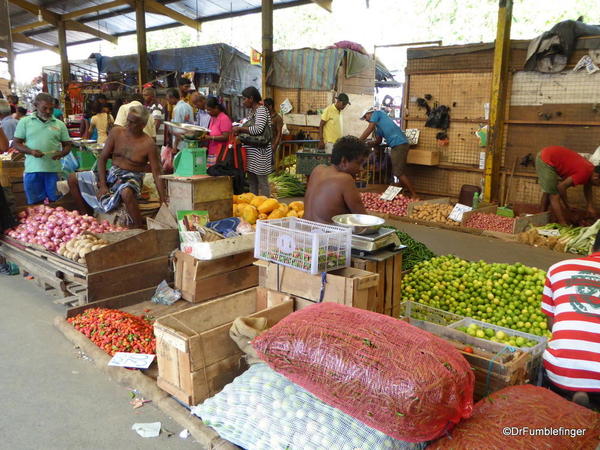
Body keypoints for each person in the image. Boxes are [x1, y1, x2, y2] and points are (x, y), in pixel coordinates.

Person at [68, 106, 166, 228]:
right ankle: (86, 216)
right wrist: (103, 185)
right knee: (72, 178)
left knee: (126, 192)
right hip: (112, 174)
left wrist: (163, 200)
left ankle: (138, 226)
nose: (127, 124)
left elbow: (157, 173)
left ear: (142, 124)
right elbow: (102, 158)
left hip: (132, 178)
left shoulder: (148, 144)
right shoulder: (116, 132)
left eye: (132, 122)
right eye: (127, 120)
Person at [541, 230, 600, 408]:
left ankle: (576, 392)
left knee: (558, 352)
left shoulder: (559, 268)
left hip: (560, 369)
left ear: (592, 246)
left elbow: (552, 325)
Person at [13, 93, 71, 204]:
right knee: (35, 204)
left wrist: (62, 153)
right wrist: (31, 151)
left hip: (53, 171)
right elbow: (16, 143)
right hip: (32, 170)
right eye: (44, 108)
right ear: (36, 105)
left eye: (51, 109)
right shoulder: (25, 122)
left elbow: (67, 145)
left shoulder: (59, 124)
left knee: (56, 203)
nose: (48, 111)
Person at [304, 136, 368, 224]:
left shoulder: (317, 170)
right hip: (327, 236)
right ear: (344, 161)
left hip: (303, 232)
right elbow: (363, 219)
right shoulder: (345, 180)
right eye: (359, 163)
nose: (361, 169)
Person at [359, 107, 418, 198]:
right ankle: (402, 194)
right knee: (398, 171)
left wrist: (359, 141)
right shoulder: (378, 128)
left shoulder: (377, 113)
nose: (366, 120)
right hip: (396, 145)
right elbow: (378, 141)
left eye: (365, 117)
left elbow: (370, 128)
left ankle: (414, 194)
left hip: (399, 144)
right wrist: (369, 143)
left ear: (369, 113)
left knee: (398, 173)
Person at [536, 146, 600, 225]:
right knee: (554, 195)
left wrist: (590, 206)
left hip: (551, 155)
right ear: (596, 178)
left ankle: (541, 217)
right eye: (598, 184)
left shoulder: (591, 169)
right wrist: (568, 205)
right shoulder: (584, 173)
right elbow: (561, 187)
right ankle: (562, 223)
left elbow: (588, 187)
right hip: (546, 158)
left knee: (549, 189)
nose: (598, 186)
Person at [232, 86, 272, 196]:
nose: (243, 102)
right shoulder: (252, 111)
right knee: (252, 181)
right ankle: (253, 203)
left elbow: (258, 129)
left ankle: (265, 205)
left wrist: (240, 129)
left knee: (262, 181)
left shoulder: (261, 110)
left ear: (251, 98)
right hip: (251, 151)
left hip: (260, 152)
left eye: (244, 99)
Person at [205, 97, 232, 166]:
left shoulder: (224, 118)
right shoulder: (213, 117)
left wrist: (210, 137)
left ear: (216, 108)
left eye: (210, 110)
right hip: (212, 151)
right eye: (207, 110)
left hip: (220, 153)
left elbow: (226, 137)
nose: (208, 112)